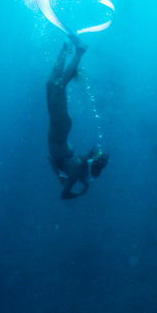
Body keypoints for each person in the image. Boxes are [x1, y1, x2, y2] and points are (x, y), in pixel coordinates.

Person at [46, 32, 109, 199]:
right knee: (58, 86)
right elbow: (64, 194)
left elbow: (50, 159)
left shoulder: (77, 169)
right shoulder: (76, 170)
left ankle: (66, 46)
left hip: (59, 128)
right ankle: (79, 51)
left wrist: (76, 185)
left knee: (52, 85)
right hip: (59, 128)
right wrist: (80, 190)